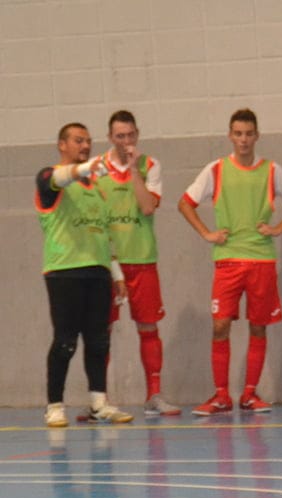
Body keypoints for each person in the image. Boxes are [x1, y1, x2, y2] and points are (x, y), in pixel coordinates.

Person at [178, 108, 282, 416]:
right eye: (238, 134)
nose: (243, 139)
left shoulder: (272, 170)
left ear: (257, 136)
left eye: (249, 134)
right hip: (227, 261)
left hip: (261, 260)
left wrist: (278, 228)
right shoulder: (216, 169)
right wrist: (206, 233)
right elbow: (185, 203)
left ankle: (250, 394)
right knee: (220, 324)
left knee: (258, 326)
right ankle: (221, 395)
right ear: (230, 136)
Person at [35, 123, 134, 427]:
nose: (85, 145)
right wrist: (88, 167)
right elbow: (58, 177)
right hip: (64, 272)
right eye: (78, 141)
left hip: (97, 273)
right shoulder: (49, 179)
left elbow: (105, 236)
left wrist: (116, 274)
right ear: (62, 144)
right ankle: (54, 405)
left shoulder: (99, 191)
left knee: (99, 341)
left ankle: (99, 403)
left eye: (89, 141)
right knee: (65, 341)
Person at [91, 109, 180, 419]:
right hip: (105, 264)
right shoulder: (95, 169)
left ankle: (153, 395)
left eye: (130, 135)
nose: (125, 141)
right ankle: (98, 400)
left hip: (142, 259)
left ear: (137, 135)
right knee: (101, 331)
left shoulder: (150, 165)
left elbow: (146, 206)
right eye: (119, 136)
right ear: (110, 137)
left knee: (149, 327)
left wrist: (133, 171)